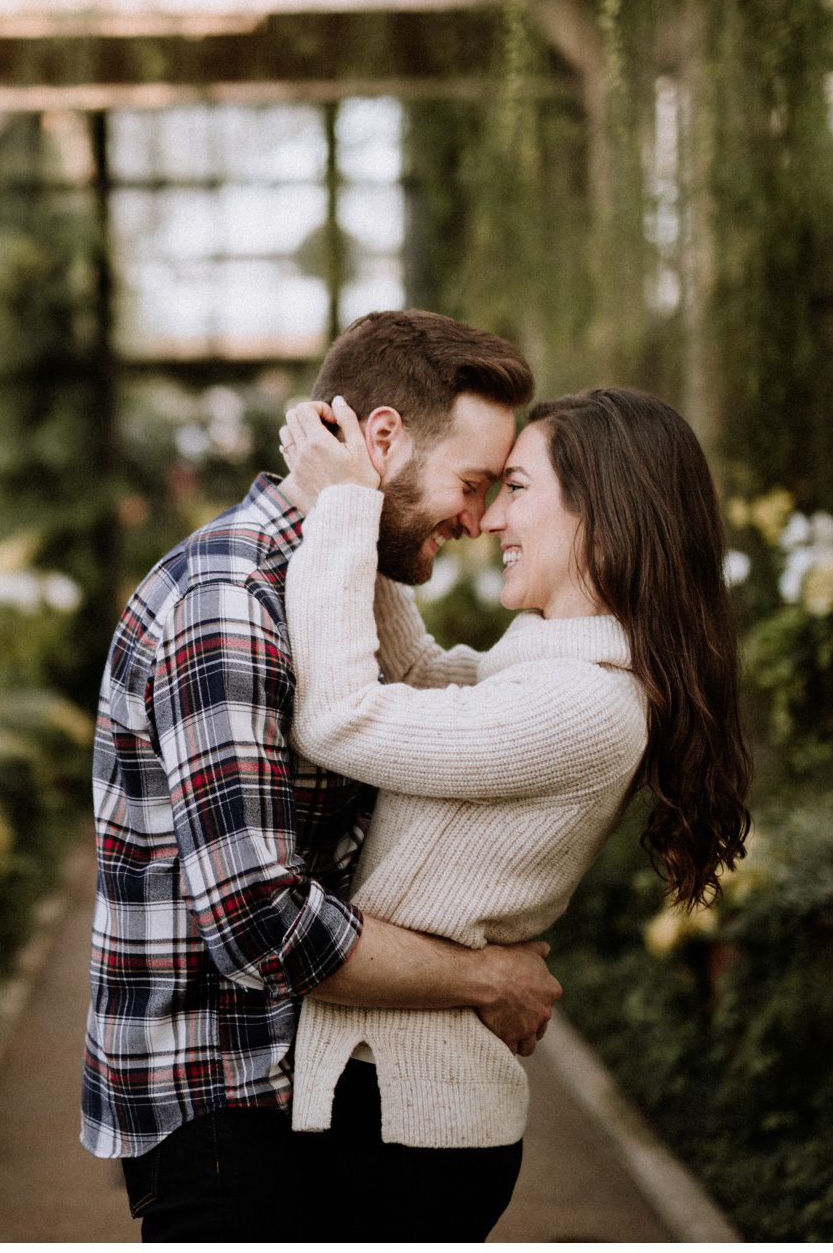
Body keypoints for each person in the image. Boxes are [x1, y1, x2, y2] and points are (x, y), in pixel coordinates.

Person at [80, 310, 564, 1243]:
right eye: (472, 484)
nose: (479, 519)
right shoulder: (229, 603)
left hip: (288, 1088)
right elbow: (261, 927)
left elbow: (434, 695)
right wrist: (482, 979)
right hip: (220, 1103)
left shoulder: (326, 582)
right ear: (382, 439)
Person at [275, 385, 753, 1241]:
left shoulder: (587, 705)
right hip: (390, 1103)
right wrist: (369, 498)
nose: (491, 518)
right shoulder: (547, 661)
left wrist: (345, 507)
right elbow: (416, 670)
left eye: (519, 489)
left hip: (410, 1123)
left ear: (605, 513)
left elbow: (344, 719)